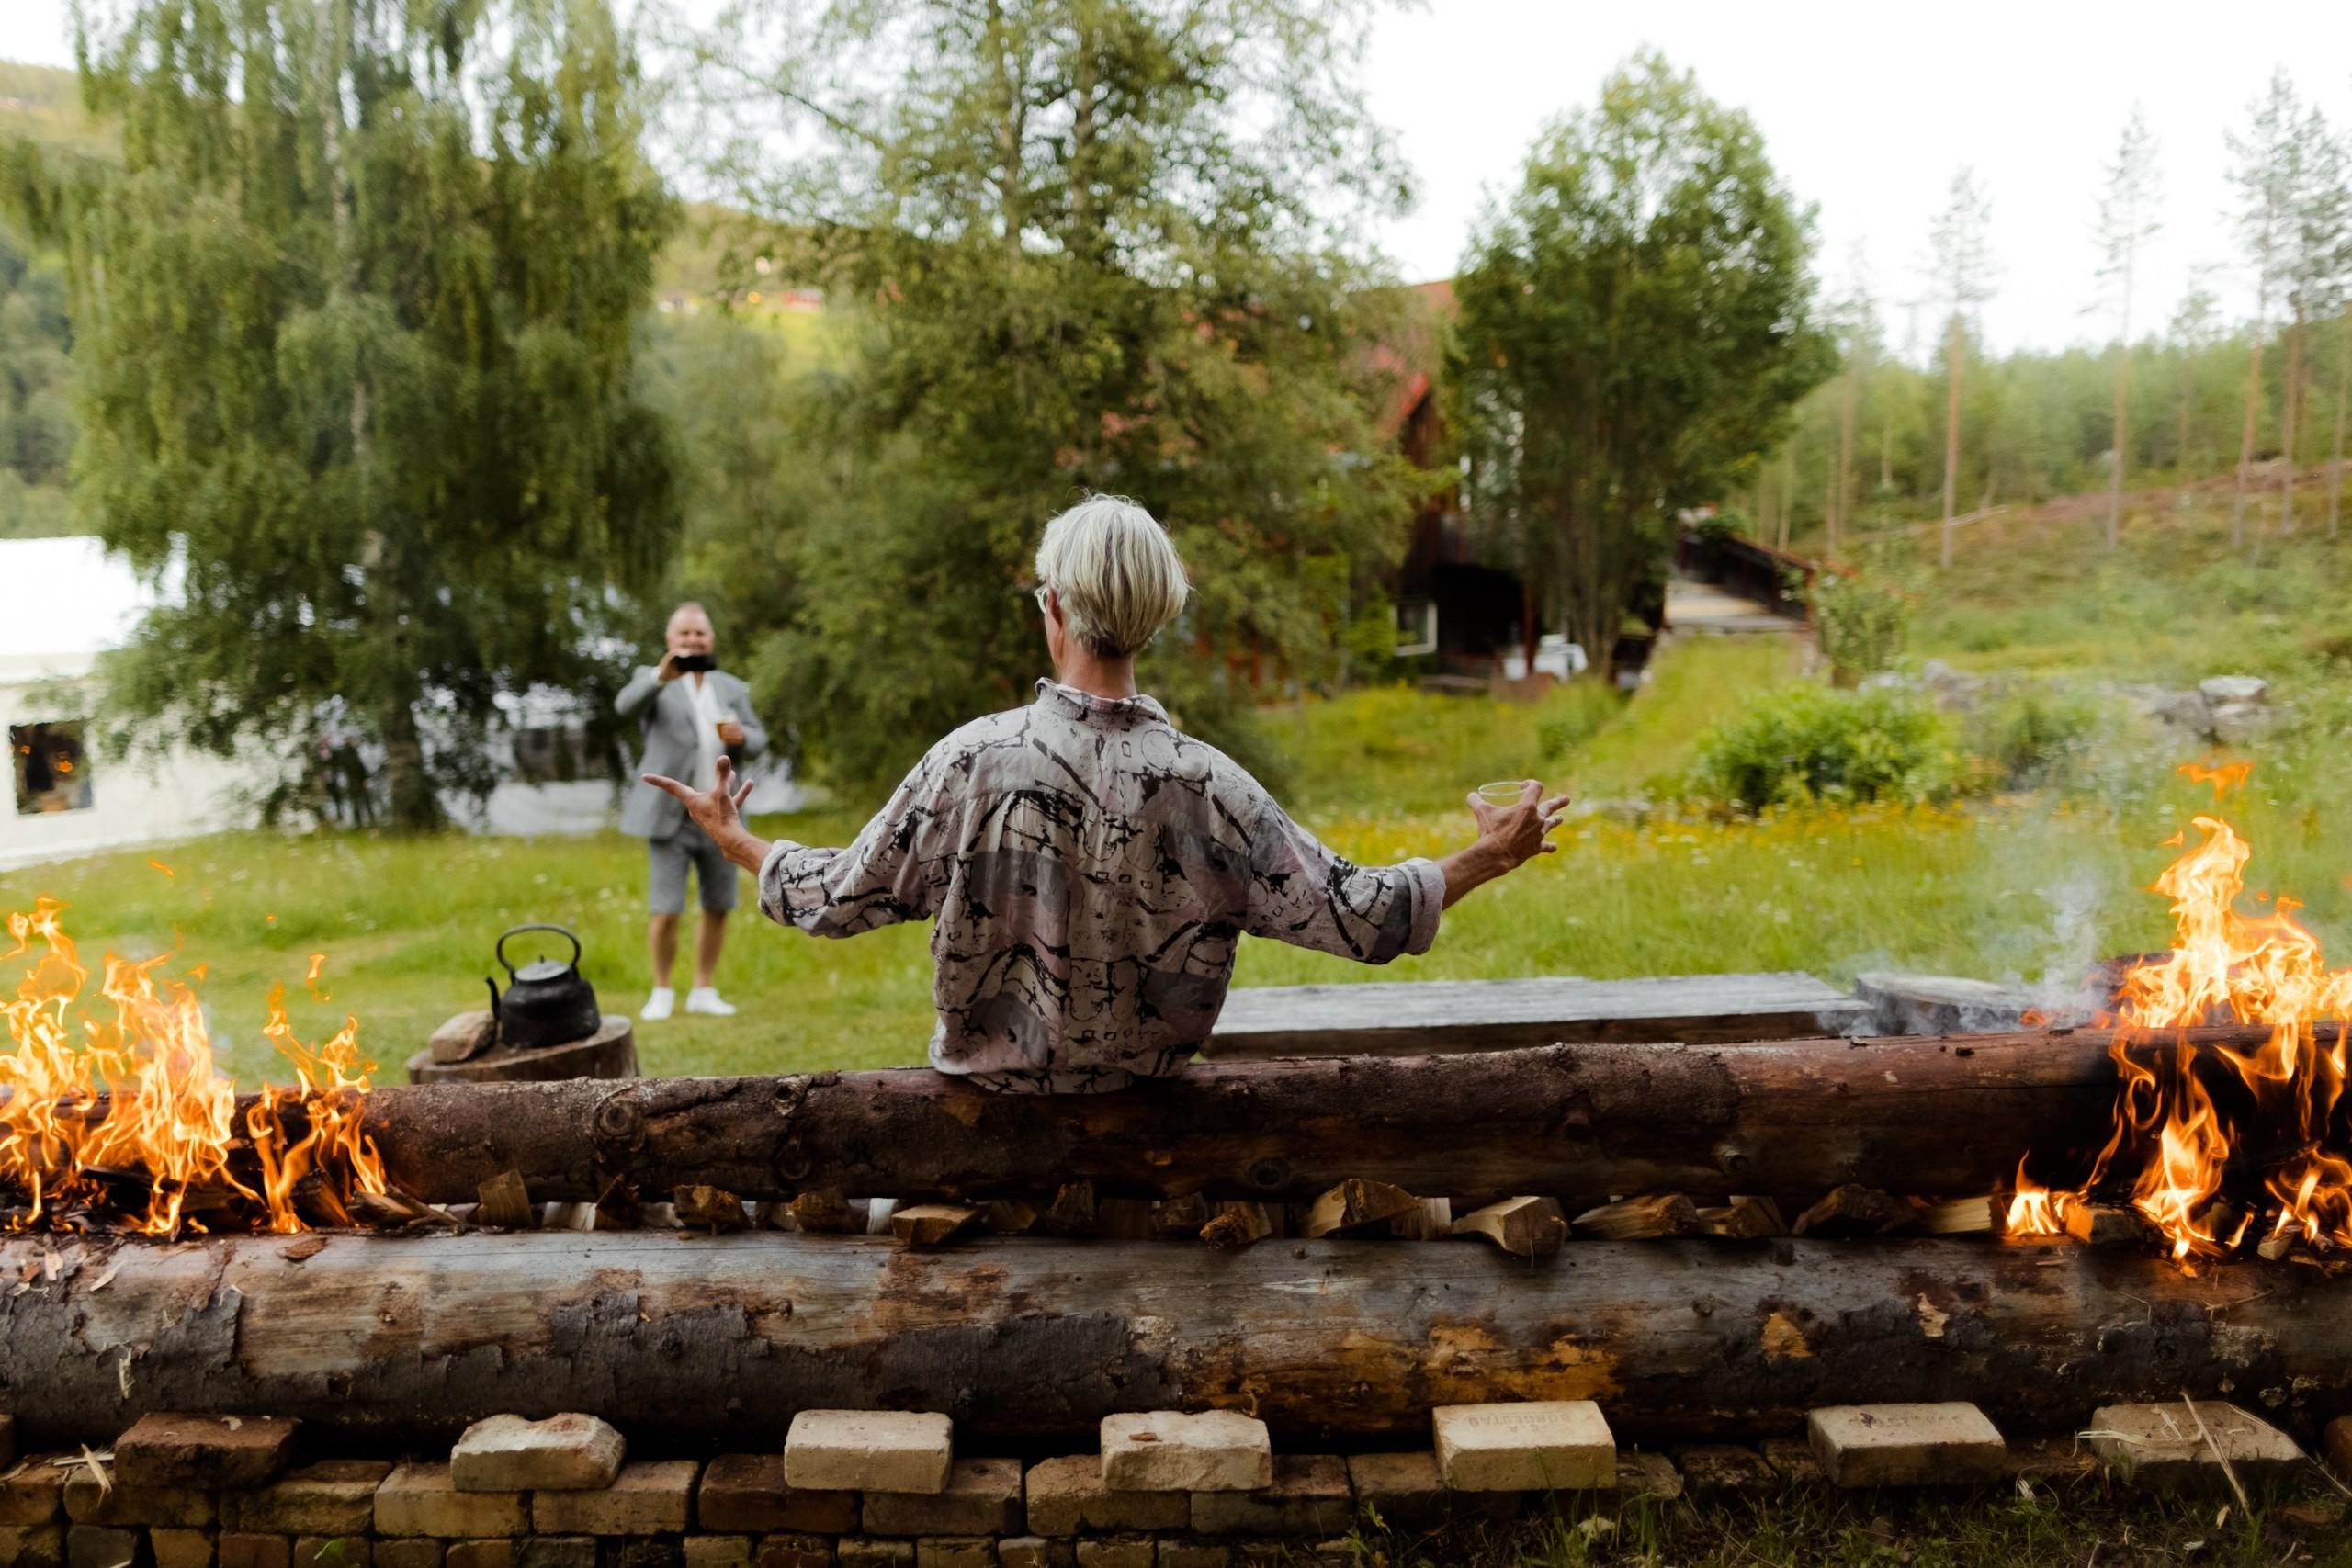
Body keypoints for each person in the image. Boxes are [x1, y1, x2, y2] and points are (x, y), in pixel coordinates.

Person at [643, 495, 1566, 1089]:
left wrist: (736, 841)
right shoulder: (1209, 784)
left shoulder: (970, 764)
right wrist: (1491, 853)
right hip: (1154, 1146)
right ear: (1157, 617)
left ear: (1052, 607)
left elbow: (836, 900)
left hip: (982, 1155)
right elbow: (1362, 919)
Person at [616, 602, 769, 1020]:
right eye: (684, 634)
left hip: (721, 813)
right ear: (670, 641)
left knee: (718, 903)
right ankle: (662, 991)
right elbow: (623, 708)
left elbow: (759, 739)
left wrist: (743, 736)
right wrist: (656, 678)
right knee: (666, 908)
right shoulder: (653, 682)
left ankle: (703, 989)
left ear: (710, 639)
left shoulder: (731, 686)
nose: (692, 641)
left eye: (699, 634)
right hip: (669, 813)